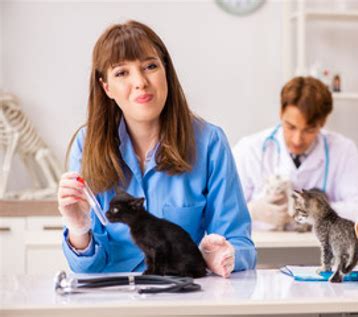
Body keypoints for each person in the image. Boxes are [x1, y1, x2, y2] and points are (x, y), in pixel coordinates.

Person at [57, 20, 256, 277]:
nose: (140, 82)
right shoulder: (87, 145)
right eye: (121, 73)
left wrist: (224, 255)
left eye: (150, 66)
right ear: (106, 87)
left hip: (183, 296)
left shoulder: (209, 142)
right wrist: (79, 229)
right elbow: (87, 266)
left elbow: (240, 243)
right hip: (112, 300)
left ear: (166, 72)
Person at [233, 76, 358, 230]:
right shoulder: (250, 149)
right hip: (262, 250)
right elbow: (222, 213)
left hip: (320, 250)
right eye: (291, 127)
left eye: (309, 130)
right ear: (281, 113)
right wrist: (252, 211)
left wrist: (319, 210)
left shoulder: (343, 150)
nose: (297, 140)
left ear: (323, 122)